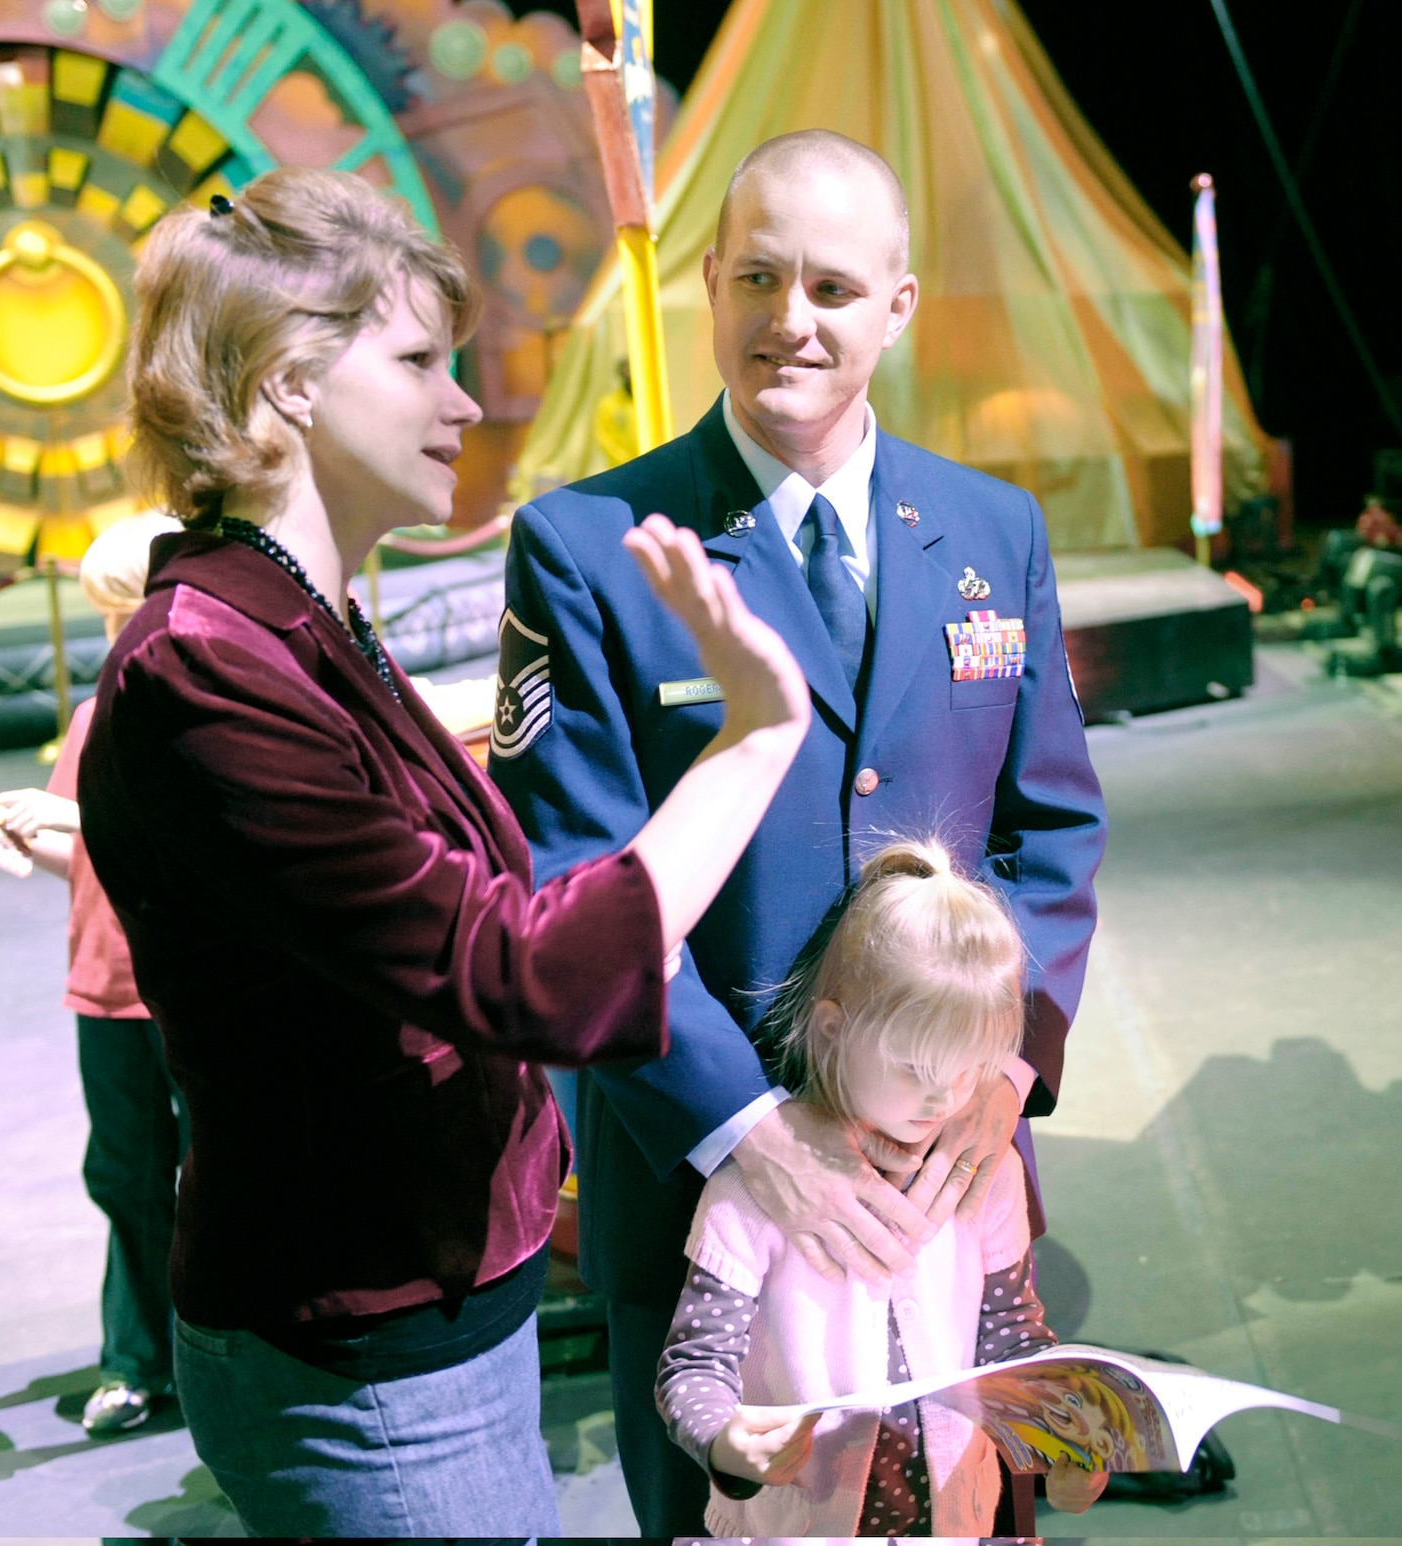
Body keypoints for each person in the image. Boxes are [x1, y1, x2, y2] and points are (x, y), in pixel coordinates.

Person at [75, 167, 809, 1537]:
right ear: (289, 382)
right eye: (418, 360)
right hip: (363, 1347)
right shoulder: (209, 672)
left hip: (433, 1313)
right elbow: (517, 972)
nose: (464, 402)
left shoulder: (302, 626)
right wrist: (758, 739)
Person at [490, 128, 1107, 1531]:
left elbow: (1052, 828)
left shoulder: (991, 528)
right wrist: (747, 1127)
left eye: (833, 285)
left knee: (966, 1500)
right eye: (758, 276)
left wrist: (1007, 1062)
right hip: (711, 1189)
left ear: (897, 304)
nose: (791, 319)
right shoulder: (592, 543)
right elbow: (577, 886)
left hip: (947, 1166)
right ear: (705, 282)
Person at [654, 839, 1107, 1534]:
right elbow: (695, 1362)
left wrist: (1065, 1451)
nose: (941, 1101)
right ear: (834, 1029)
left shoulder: (988, 1177)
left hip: (958, 1518)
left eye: (969, 1071)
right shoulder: (755, 1190)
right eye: (912, 1069)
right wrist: (727, 1441)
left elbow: (1011, 1344)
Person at [0, 513, 185, 1434]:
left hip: (196, 984)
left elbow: (185, 845)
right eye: (107, 614)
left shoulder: (210, 709)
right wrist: (34, 828)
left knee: (221, 1172)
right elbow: (93, 859)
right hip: (107, 985)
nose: (119, 635)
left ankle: (222, 1355)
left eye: (128, 609)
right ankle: (136, 1359)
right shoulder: (90, 717)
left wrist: (67, 822)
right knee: (126, 1174)